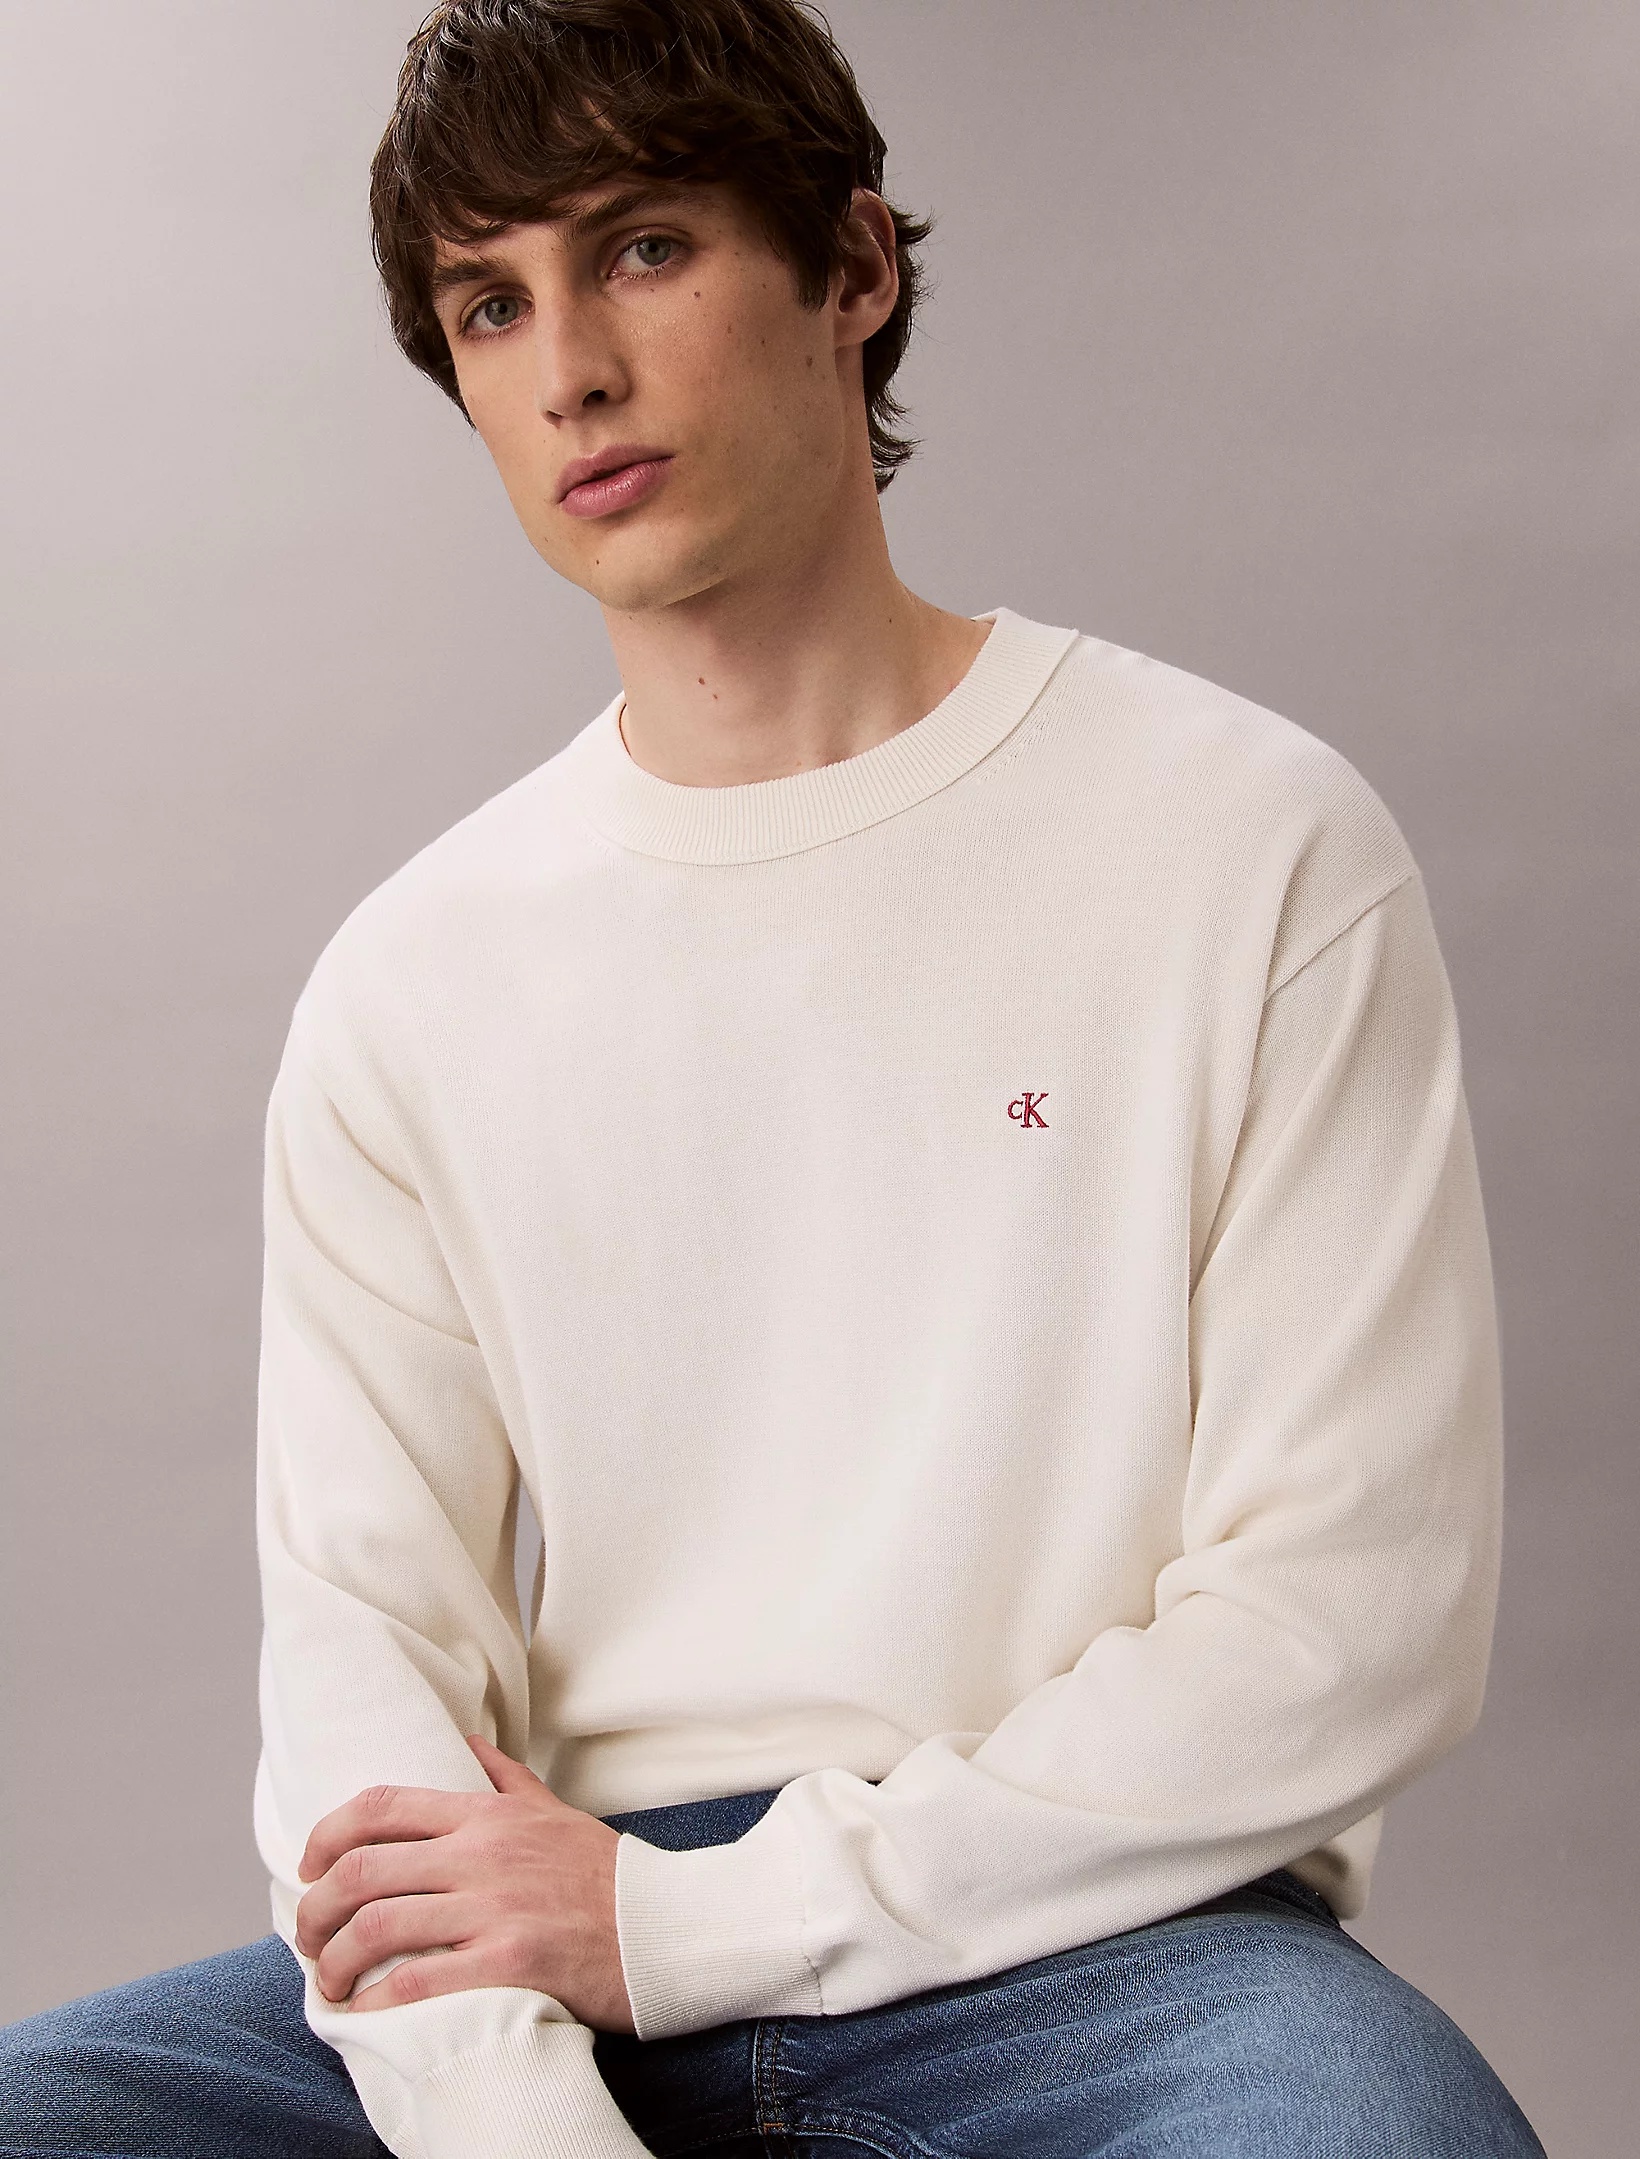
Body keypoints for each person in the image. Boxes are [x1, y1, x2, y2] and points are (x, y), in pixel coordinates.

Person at [0, 2, 1548, 2153]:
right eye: (488, 304)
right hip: (545, 1932)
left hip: (1110, 1939)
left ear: (852, 267)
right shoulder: (412, 985)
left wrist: (691, 1926)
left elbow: (1348, 1618)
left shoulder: (1247, 846)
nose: (569, 371)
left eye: (640, 249)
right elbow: (365, 1682)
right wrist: (520, 2105)